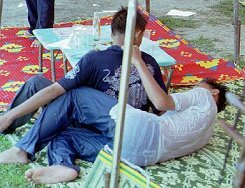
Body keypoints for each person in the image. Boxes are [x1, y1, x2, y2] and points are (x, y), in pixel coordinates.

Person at [0, 7, 166, 184]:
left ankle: (21, 145)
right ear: (139, 34)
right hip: (114, 140)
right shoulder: (151, 63)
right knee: (38, 85)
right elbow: (160, 110)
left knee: (73, 96)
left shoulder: (96, 59)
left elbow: (56, 91)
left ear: (112, 34)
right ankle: (62, 164)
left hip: (111, 128)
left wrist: (11, 115)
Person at [110, 45, 227, 166]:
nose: (194, 88)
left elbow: (161, 103)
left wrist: (138, 61)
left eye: (198, 86)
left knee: (89, 94)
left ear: (214, 92)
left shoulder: (204, 95)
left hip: (139, 130)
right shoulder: (207, 135)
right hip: (141, 159)